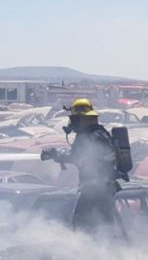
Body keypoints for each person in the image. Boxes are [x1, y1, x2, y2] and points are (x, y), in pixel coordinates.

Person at [42, 98, 120, 234]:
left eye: (75, 118)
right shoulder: (99, 133)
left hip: (95, 190)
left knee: (81, 226)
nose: (73, 122)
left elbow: (79, 158)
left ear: (82, 118)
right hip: (104, 189)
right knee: (102, 227)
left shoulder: (89, 136)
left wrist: (57, 156)